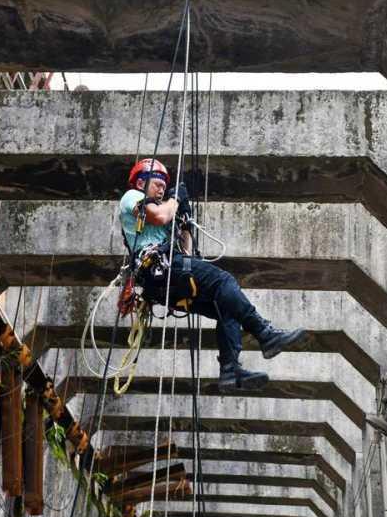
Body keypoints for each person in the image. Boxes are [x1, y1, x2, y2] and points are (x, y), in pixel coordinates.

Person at [119, 158, 307, 391]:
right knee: (224, 281)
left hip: (167, 275)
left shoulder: (162, 209)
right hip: (158, 269)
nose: (161, 189)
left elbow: (185, 252)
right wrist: (176, 199)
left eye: (163, 185)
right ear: (140, 183)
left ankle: (229, 369)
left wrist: (185, 222)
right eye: (157, 183)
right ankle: (263, 332)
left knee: (226, 305)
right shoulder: (132, 197)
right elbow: (159, 216)